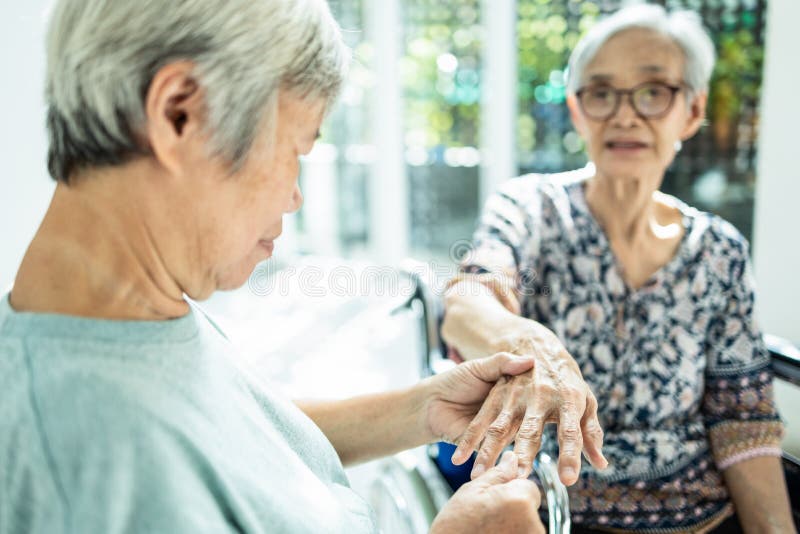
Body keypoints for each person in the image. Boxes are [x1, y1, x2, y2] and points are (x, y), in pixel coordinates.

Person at [0, 0, 608, 532]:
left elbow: (236, 444)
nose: (296, 196)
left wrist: (422, 410)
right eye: (296, 151)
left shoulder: (136, 309)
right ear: (178, 114)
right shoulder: (90, 465)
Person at [442, 4, 795, 533]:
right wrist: (524, 338)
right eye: (602, 93)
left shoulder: (719, 252)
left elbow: (742, 425)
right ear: (578, 110)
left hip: (697, 514)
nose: (625, 116)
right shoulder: (531, 209)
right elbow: (471, 297)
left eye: (653, 92)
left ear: (693, 111)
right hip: (550, 507)